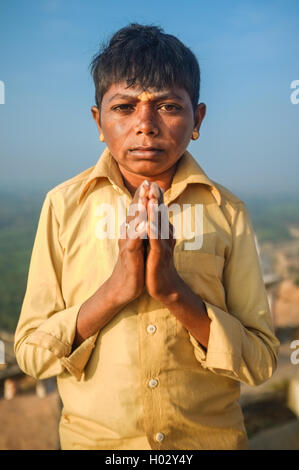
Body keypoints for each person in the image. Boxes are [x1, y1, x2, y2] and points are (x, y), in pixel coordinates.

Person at [14, 23, 280, 450]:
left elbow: (262, 359)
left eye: (168, 106)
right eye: (124, 107)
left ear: (199, 119)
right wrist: (115, 291)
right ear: (99, 121)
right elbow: (30, 353)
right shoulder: (64, 207)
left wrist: (175, 293)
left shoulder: (227, 212)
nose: (145, 124)